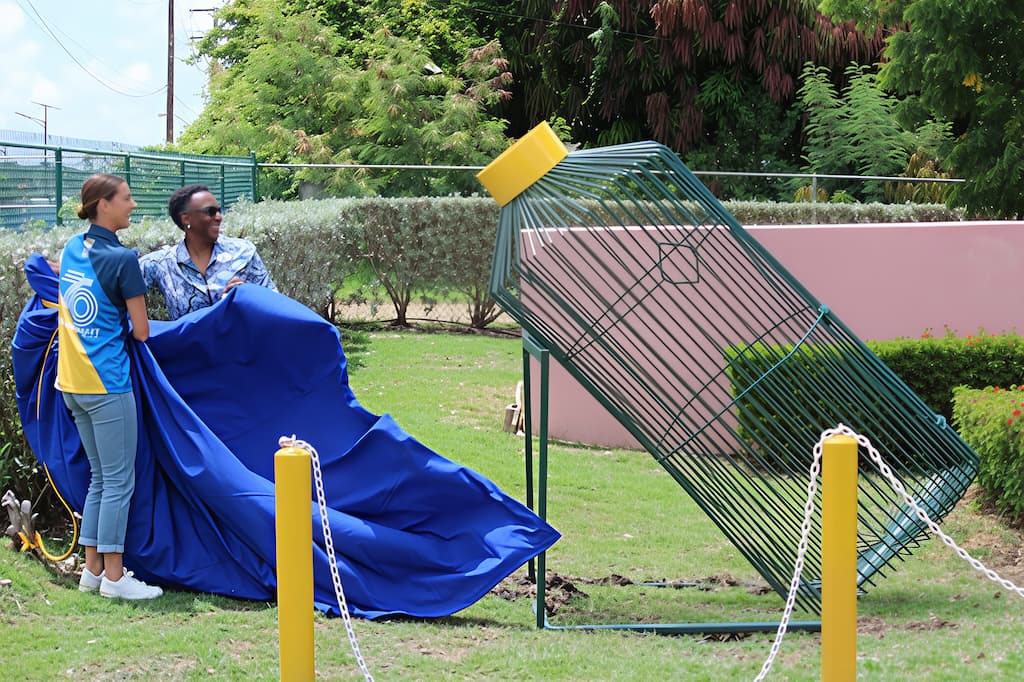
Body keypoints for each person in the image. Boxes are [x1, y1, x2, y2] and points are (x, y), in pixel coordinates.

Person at [57, 174, 162, 600]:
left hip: (73, 383)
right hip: (108, 384)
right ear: (103, 204)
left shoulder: (69, 249)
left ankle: (92, 571)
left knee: (101, 478)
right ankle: (116, 580)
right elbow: (141, 332)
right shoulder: (122, 261)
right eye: (126, 198)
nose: (133, 205)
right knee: (119, 481)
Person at [139, 184, 277, 320]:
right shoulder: (162, 263)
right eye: (210, 211)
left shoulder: (244, 252)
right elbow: (120, 288)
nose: (218, 217)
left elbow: (274, 303)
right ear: (186, 218)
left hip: (240, 342)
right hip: (188, 343)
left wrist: (246, 295)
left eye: (219, 211)